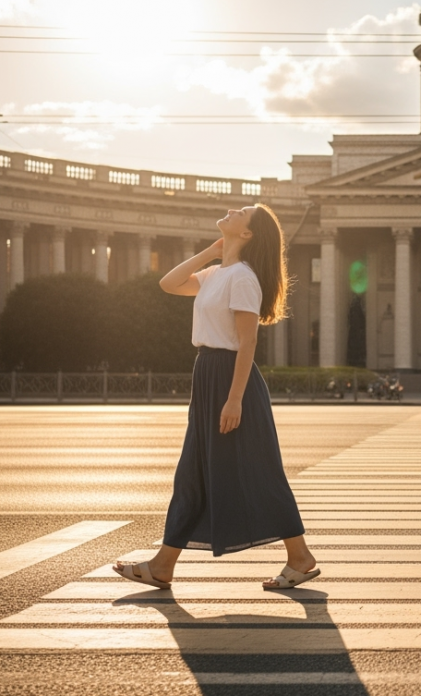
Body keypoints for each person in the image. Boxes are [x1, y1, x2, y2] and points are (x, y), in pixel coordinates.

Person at [113, 204, 321, 591]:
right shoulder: (216, 273)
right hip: (208, 374)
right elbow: (169, 283)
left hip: (230, 378)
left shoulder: (242, 278)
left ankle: (300, 557)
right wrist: (210, 251)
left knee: (259, 472)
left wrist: (234, 399)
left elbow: (247, 341)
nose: (231, 210)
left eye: (240, 212)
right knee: (193, 471)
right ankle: (163, 564)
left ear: (248, 234)